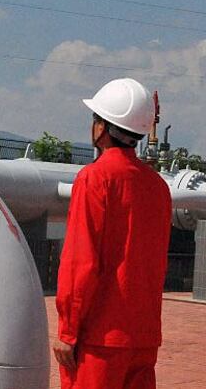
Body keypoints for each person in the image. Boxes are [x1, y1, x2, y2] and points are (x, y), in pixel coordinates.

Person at [54, 78, 172, 389]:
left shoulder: (95, 178)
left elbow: (81, 262)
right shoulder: (158, 187)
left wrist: (68, 332)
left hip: (101, 340)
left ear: (103, 128)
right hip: (144, 337)